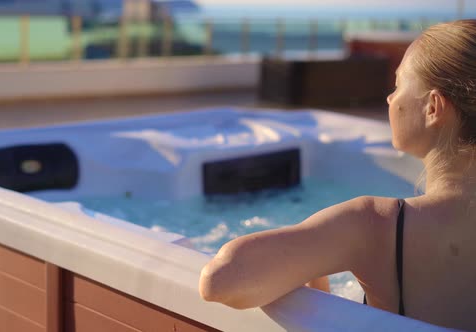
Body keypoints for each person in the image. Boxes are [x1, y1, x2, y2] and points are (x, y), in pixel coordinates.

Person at [199, 19, 476, 331]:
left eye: (398, 85)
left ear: (433, 108)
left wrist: (309, 263)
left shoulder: (374, 225)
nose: (390, 99)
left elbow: (221, 279)